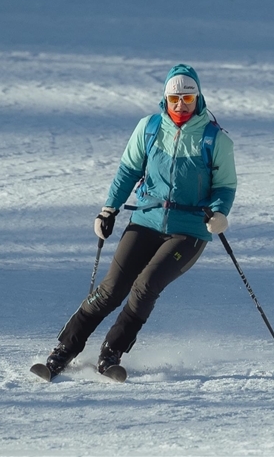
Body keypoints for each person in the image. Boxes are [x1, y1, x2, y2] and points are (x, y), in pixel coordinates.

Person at [38, 64, 236, 377]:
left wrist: (220, 213)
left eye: (187, 98)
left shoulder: (214, 140)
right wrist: (108, 210)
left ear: (198, 98)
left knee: (145, 286)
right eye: (174, 99)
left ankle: (111, 353)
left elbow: (225, 185)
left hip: (189, 231)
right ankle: (64, 350)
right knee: (111, 289)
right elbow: (128, 170)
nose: (181, 105)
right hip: (146, 220)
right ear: (165, 99)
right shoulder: (150, 128)